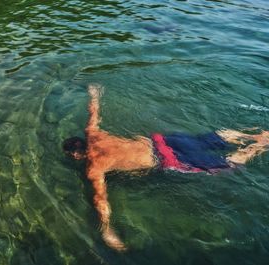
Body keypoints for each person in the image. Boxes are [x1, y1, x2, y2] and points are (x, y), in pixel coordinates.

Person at [62, 84, 269, 251]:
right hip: (165, 142)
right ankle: (256, 135)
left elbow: (100, 199)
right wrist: (95, 94)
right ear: (81, 141)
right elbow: (93, 112)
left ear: (75, 155)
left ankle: (260, 145)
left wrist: (106, 229)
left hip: (168, 161)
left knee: (228, 165)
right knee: (211, 139)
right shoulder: (92, 133)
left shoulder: (94, 168)